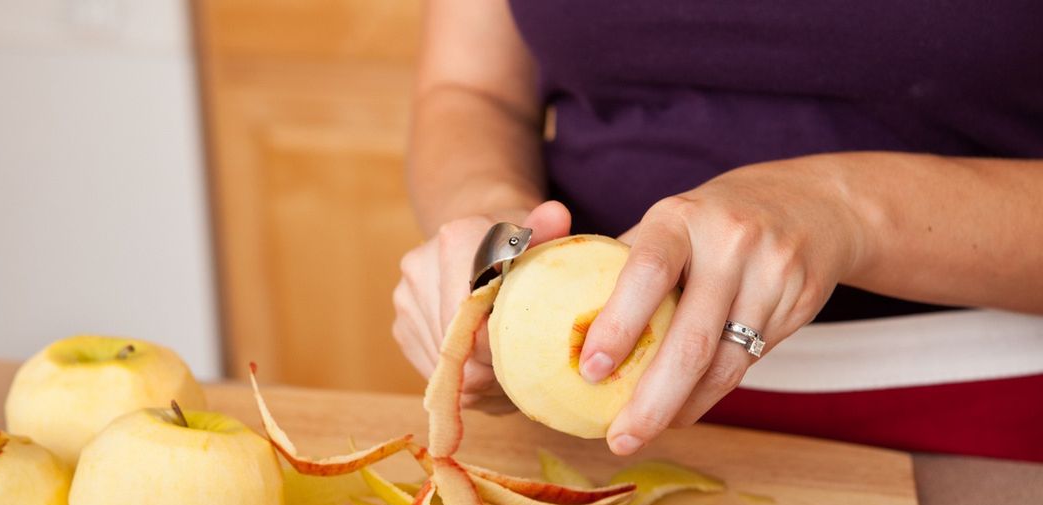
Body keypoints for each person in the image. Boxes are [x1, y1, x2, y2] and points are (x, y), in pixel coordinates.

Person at [391, 0, 1043, 461]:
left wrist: (850, 209)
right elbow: (471, 91)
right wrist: (494, 244)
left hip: (978, 436)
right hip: (585, 438)